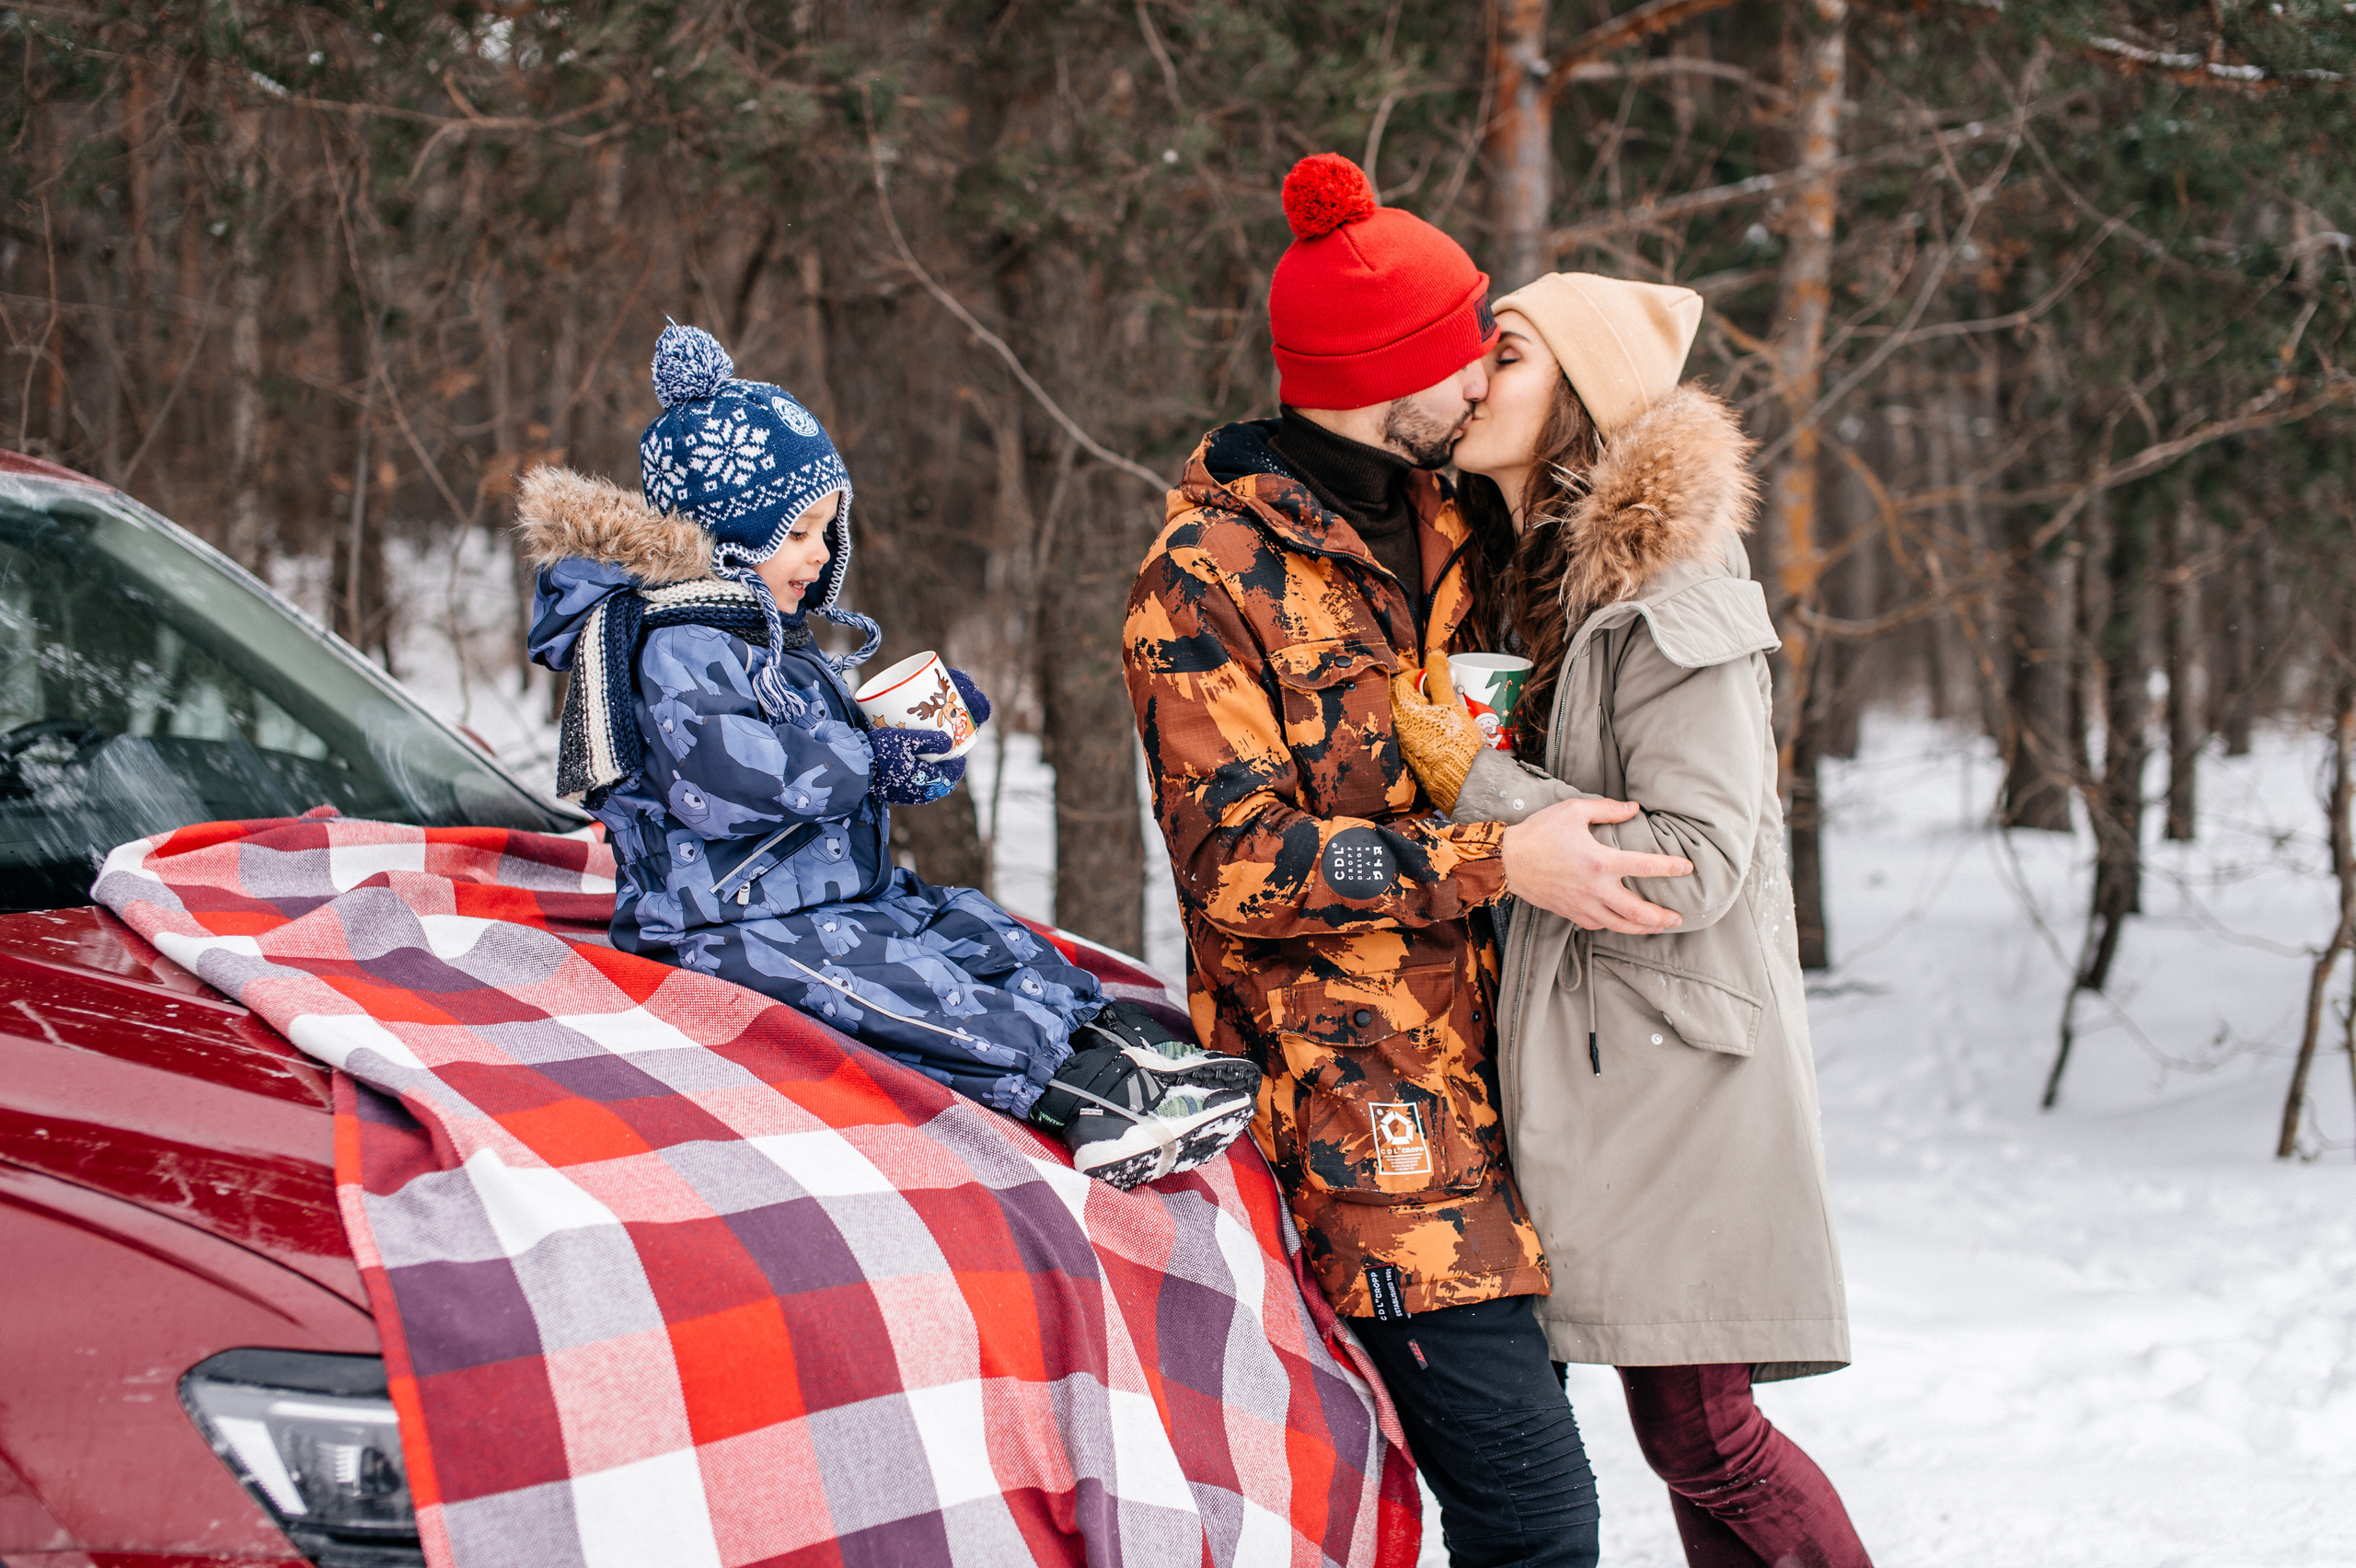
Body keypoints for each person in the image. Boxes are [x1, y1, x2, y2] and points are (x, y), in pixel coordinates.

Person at [1122, 155, 1697, 1568]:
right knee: (1540, 1522)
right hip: (1369, 1120)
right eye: (1468, 350)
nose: (1485, 375)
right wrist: (1501, 860)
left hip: (1526, 1091)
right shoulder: (1203, 578)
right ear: (1393, 375)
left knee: (1533, 1506)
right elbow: (1240, 870)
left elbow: (1632, 410)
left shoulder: (1458, 518)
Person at [521, 323, 1258, 1190]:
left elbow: (821, 761)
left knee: (969, 928)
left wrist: (913, 749)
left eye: (830, 531)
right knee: (901, 985)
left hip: (828, 896)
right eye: (799, 533)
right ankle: (1093, 1101)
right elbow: (725, 780)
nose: (822, 555)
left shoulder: (765, 640)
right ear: (731, 535)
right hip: (725, 926)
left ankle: (1106, 1038)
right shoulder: (677, 644)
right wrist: (871, 757)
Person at [1389, 271, 1873, 1568]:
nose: (1474, 381)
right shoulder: (1535, 575)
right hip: (1614, 1059)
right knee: (1689, 1434)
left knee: (1708, 1435)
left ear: (1586, 391)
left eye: (1507, 355)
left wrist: (1477, 787)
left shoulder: (1676, 592)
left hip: (1680, 1068)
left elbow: (1696, 862)